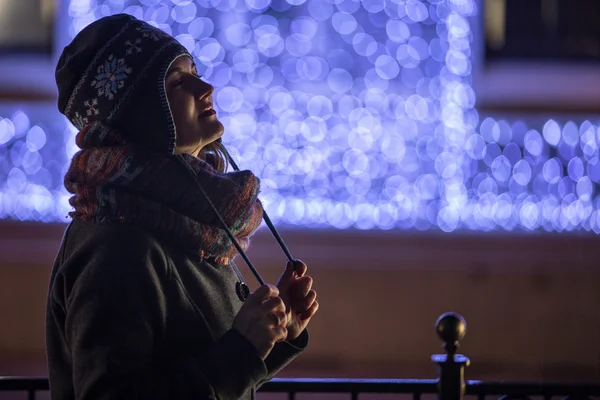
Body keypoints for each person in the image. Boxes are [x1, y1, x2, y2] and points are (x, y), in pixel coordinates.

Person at [45, 13, 318, 400]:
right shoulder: (116, 244)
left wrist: (274, 335)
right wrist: (242, 348)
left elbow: (199, 367)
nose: (205, 87)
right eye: (176, 81)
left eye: (194, 70)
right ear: (140, 114)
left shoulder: (184, 218)